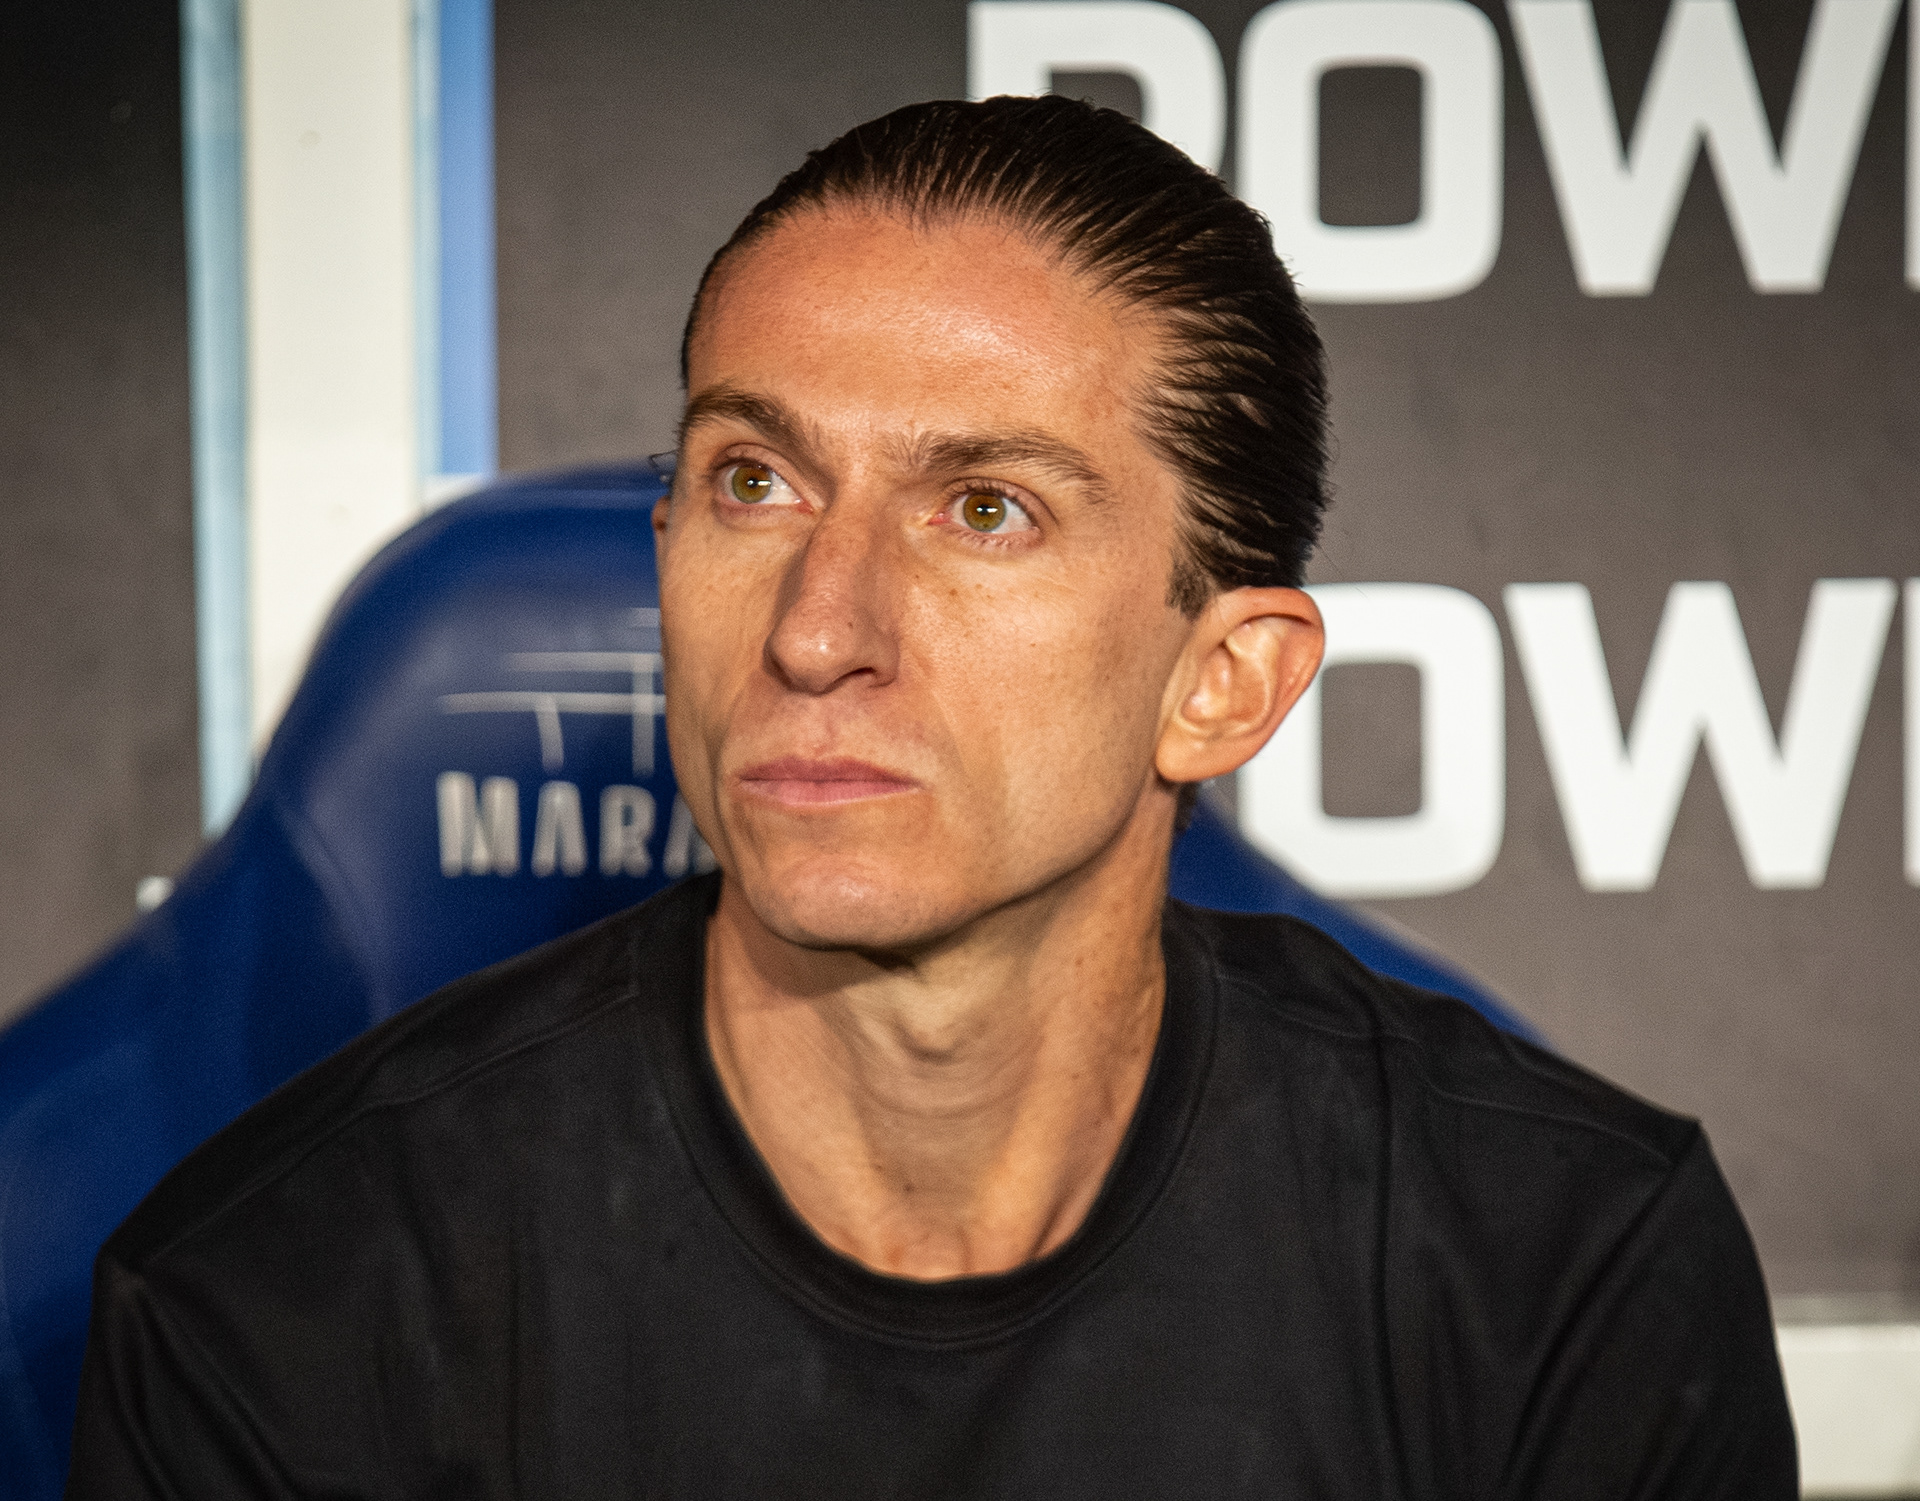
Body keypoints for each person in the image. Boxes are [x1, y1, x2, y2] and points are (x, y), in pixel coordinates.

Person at [67, 96, 1795, 1497]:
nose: (817, 628)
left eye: (986, 511)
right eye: (754, 481)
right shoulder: (279, 1298)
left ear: (1223, 681)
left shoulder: (1558, 1267)